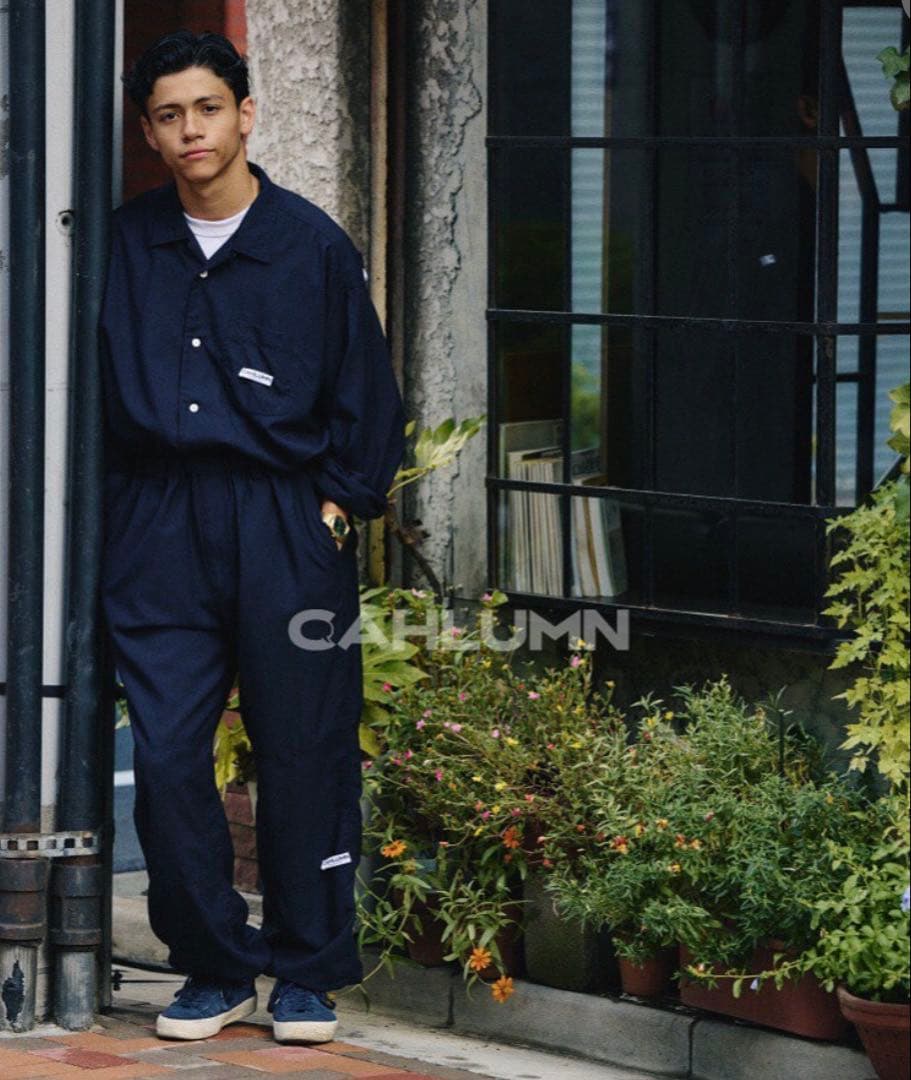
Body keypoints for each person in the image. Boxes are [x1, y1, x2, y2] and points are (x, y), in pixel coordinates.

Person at [101, 29, 406, 1045]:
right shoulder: (123, 245)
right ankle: (215, 964)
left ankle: (309, 973)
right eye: (169, 115)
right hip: (157, 525)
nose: (191, 130)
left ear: (245, 115)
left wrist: (335, 508)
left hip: (284, 522)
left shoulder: (311, 246)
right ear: (149, 133)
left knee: (305, 750)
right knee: (168, 758)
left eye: (207, 108)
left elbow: (369, 399)